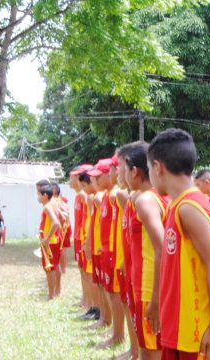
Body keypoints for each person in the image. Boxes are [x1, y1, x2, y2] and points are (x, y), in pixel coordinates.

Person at [148, 128, 210, 360]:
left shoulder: (189, 208)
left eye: (149, 168)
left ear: (158, 167)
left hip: (197, 334)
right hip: (181, 329)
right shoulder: (179, 205)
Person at [120, 141, 169, 359]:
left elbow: (161, 248)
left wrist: (156, 298)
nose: (120, 175)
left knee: (152, 351)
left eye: (122, 170)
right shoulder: (161, 197)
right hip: (152, 285)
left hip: (150, 287)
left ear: (135, 171)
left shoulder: (147, 200)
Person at [102, 155, 131, 351]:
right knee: (121, 298)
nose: (117, 173)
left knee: (125, 300)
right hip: (116, 252)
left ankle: (121, 337)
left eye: (118, 168)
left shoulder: (120, 195)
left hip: (122, 255)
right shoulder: (114, 195)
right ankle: (121, 337)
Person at [88, 158, 114, 331]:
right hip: (102, 248)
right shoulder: (103, 196)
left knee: (113, 292)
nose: (94, 181)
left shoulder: (113, 196)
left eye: (98, 177)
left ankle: (114, 328)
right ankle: (105, 319)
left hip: (111, 250)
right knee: (103, 286)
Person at [70, 164, 96, 318]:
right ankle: (87, 302)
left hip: (86, 238)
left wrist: (87, 240)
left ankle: (93, 305)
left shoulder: (87, 196)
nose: (72, 180)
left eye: (73, 176)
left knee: (89, 273)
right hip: (81, 237)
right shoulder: (80, 196)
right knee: (84, 272)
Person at [37, 183, 63, 299]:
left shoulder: (48, 207)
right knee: (53, 267)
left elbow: (56, 222)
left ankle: (51, 294)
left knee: (49, 268)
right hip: (54, 241)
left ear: (45, 195)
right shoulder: (54, 205)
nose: (37, 197)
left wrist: (47, 238)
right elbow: (61, 219)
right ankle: (54, 292)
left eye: (39, 194)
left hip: (50, 242)